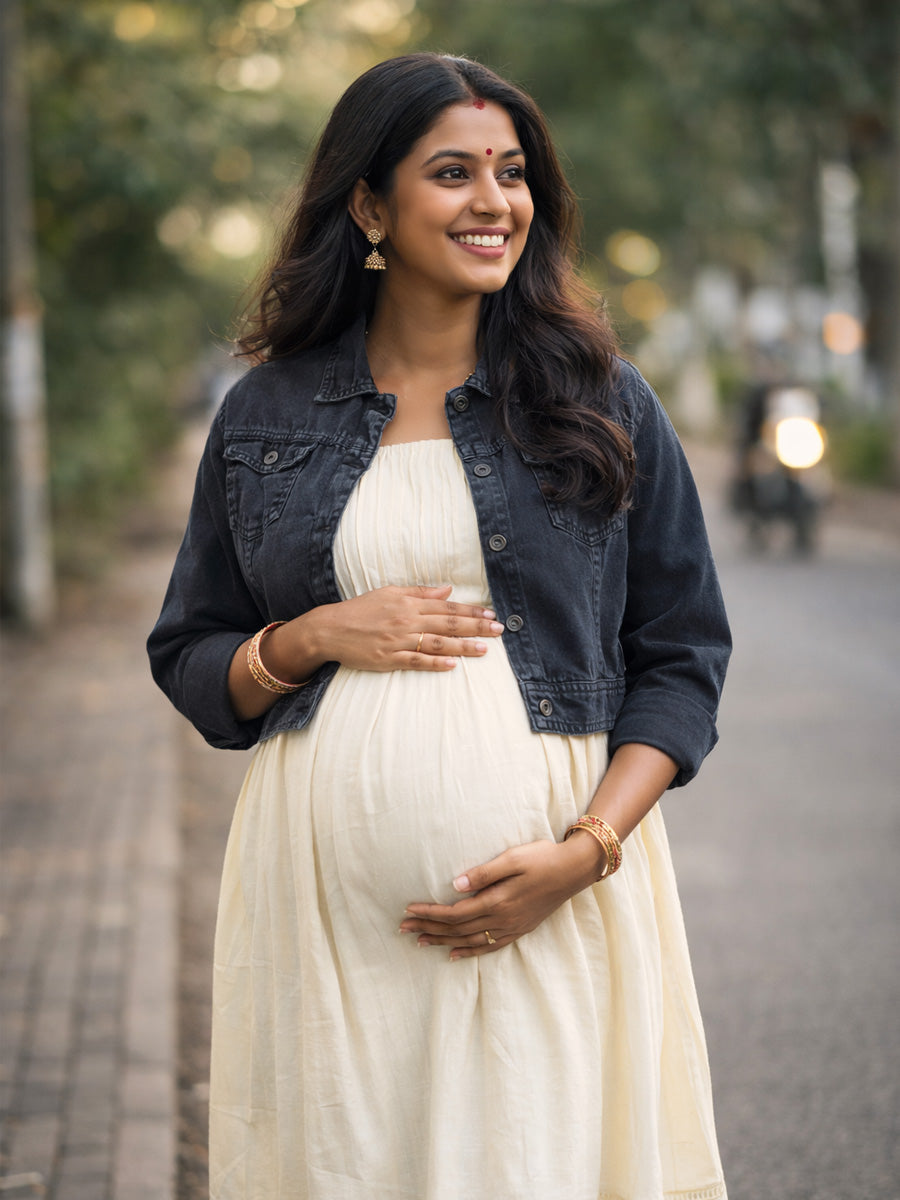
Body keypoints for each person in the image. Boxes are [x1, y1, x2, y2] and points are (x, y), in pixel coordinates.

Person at [148, 52, 731, 1200]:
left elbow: (683, 655)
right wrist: (306, 639)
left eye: (511, 174)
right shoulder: (266, 411)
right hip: (322, 915)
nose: (493, 202)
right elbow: (190, 653)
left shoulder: (602, 398)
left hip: (555, 895)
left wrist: (584, 854)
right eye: (453, 172)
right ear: (369, 204)